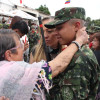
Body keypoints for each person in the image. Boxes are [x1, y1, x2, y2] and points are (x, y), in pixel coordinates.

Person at [0, 28, 87, 100]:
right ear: (9, 54)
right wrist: (79, 41)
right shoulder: (14, 71)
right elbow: (57, 66)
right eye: (20, 46)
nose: (23, 50)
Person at [45, 7, 100, 100]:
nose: (55, 33)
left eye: (59, 28)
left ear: (76, 26)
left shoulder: (80, 58)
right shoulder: (73, 52)